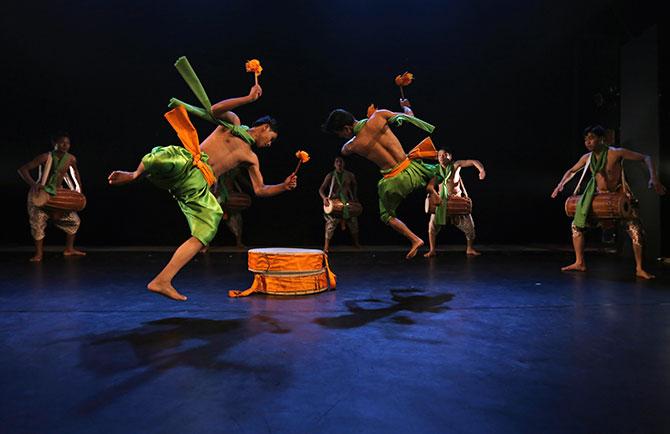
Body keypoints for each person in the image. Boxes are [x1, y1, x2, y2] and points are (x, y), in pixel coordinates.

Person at [108, 82, 297, 301]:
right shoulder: (233, 124)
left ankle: (162, 280)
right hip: (190, 164)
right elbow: (214, 110)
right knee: (167, 155)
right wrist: (248, 98)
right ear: (265, 127)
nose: (269, 144)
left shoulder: (251, 158)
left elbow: (260, 189)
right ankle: (134, 174)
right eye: (271, 138)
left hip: (197, 187)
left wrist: (283, 186)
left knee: (209, 225)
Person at [322, 99, 437, 259]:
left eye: (340, 134)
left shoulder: (353, 145)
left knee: (386, 215)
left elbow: (344, 150)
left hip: (395, 182)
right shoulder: (380, 115)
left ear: (347, 129)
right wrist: (406, 107)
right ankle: (431, 189)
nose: (341, 137)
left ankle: (415, 239)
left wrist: (357, 133)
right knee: (441, 170)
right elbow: (408, 118)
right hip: (413, 170)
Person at [551, 125, 666, 279]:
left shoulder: (615, 153)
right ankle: (579, 262)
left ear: (601, 139)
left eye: (591, 138)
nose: (588, 142)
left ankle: (639, 268)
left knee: (635, 229)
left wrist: (654, 178)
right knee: (576, 225)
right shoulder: (588, 158)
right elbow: (571, 171)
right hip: (598, 197)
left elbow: (646, 158)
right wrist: (560, 184)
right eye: (586, 139)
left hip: (617, 196)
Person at [18, 132, 86, 261]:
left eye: (68, 143)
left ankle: (69, 249)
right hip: (40, 195)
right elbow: (23, 169)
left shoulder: (70, 159)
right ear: (54, 143)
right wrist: (33, 184)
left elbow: (74, 174)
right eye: (62, 142)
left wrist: (77, 190)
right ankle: (39, 254)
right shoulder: (45, 157)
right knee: (37, 223)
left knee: (74, 221)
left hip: (57, 194)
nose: (65, 145)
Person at [424, 148, 485, 257]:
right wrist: (432, 194)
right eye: (439, 155)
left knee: (470, 227)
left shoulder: (455, 165)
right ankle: (432, 250)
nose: (442, 157)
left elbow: (472, 161)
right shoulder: (436, 170)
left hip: (456, 202)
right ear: (437, 158)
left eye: (444, 155)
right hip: (441, 203)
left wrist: (481, 170)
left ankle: (469, 249)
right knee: (432, 227)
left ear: (450, 156)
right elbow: (430, 186)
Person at [319, 156, 361, 252]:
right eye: (337, 161)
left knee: (353, 221)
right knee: (331, 223)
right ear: (334, 164)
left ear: (344, 163)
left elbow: (355, 185)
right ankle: (326, 246)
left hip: (347, 201)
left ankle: (356, 243)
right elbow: (321, 189)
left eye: (341, 161)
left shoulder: (350, 175)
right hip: (334, 202)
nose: (339, 163)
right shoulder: (330, 175)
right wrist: (324, 198)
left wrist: (354, 197)